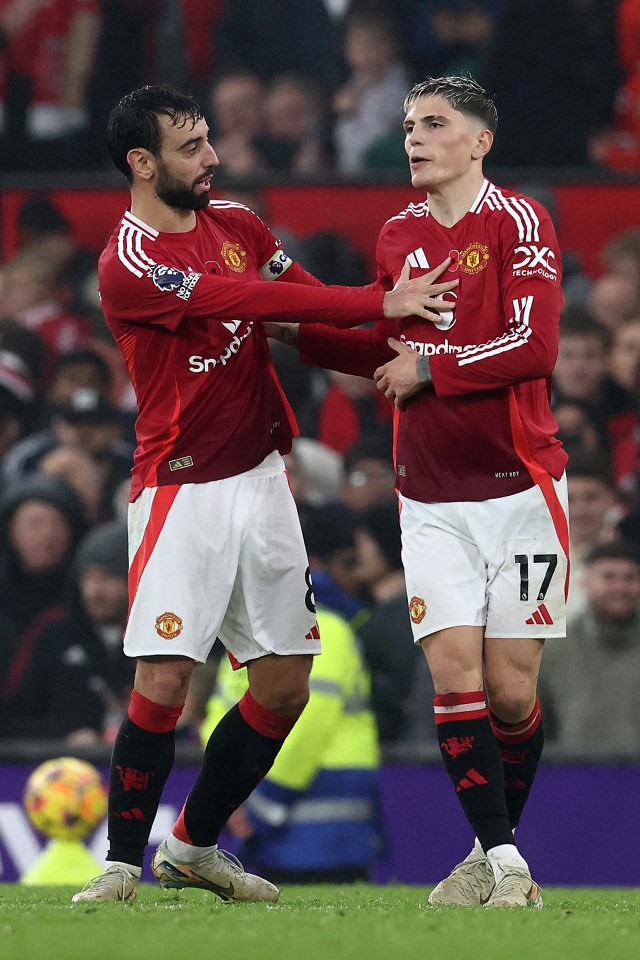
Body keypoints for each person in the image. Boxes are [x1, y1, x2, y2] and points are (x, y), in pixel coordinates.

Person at [70, 82, 455, 905]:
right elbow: (245, 300)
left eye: (210, 140)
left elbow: (298, 318)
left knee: (284, 686)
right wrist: (373, 300)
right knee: (166, 680)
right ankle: (119, 863)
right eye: (191, 147)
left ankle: (193, 847)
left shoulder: (238, 224)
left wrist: (399, 363)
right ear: (141, 163)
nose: (213, 158)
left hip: (260, 478)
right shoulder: (130, 261)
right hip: (182, 489)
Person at [271, 75, 569, 908]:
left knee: (512, 692)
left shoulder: (519, 221)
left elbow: (534, 345)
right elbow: (388, 355)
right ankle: (509, 861)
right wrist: (294, 329)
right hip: (430, 495)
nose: (415, 137)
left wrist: (434, 368)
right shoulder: (398, 233)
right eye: (408, 125)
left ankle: (484, 849)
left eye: (435, 124)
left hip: (524, 489)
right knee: (453, 679)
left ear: (481, 141)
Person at [201, 602, 382, 885]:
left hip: (322, 824)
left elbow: (307, 725)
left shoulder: (326, 629)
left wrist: (252, 801)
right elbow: (218, 716)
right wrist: (226, 792)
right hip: (267, 815)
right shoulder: (241, 632)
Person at [539, 541, 640, 755]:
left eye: (630, 578)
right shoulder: (554, 649)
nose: (620, 587)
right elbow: (539, 728)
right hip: (575, 778)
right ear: (585, 582)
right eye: (609, 577)